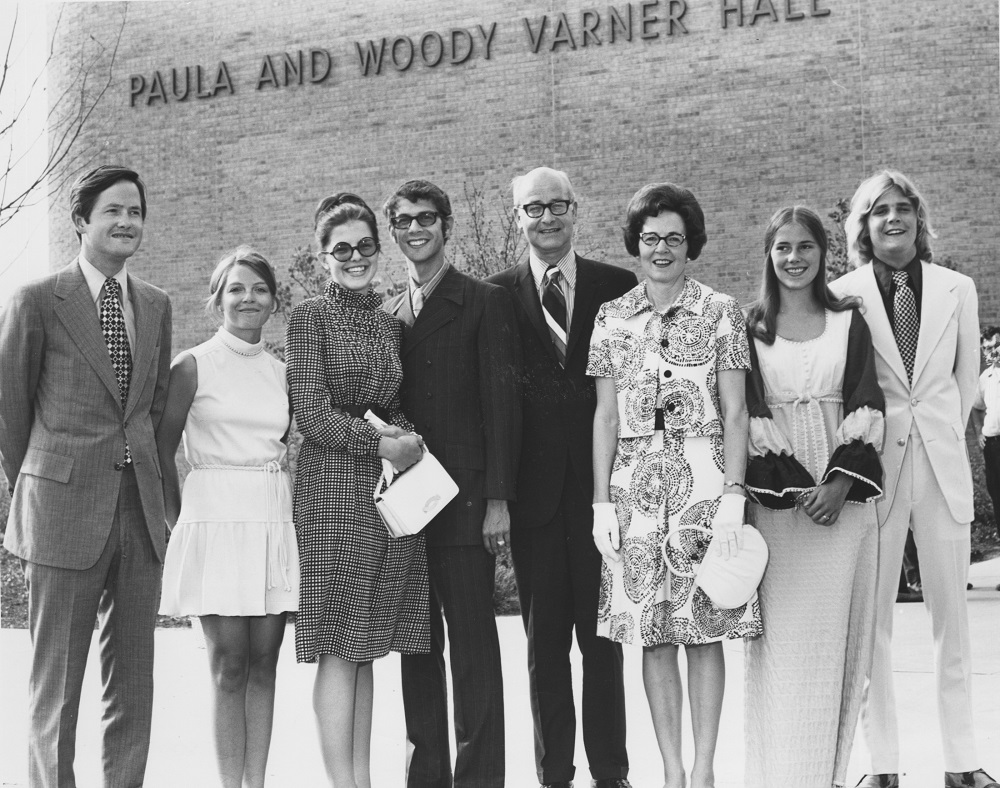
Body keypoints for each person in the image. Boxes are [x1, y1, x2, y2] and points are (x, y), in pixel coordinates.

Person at [0, 164, 172, 788]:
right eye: (113, 211)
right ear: (81, 221)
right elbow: (10, 410)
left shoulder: (154, 304)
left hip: (139, 512)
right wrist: (47, 484)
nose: (127, 222)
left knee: (133, 686)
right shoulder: (39, 299)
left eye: (136, 212)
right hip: (62, 514)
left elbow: (149, 409)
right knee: (58, 689)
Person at [589, 182, 760, 788]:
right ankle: (672, 772)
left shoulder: (721, 311)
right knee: (652, 633)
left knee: (703, 627)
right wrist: (600, 501)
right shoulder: (611, 318)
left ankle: (708, 769)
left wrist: (735, 493)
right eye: (650, 238)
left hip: (705, 479)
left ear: (692, 246)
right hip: (634, 485)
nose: (661, 248)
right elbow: (605, 416)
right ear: (635, 245)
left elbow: (736, 412)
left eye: (674, 238)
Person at [832, 171, 996, 788]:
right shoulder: (843, 294)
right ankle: (884, 768)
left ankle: (961, 762)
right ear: (863, 227)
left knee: (951, 618)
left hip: (941, 466)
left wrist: (945, 433)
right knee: (872, 621)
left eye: (903, 208)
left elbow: (966, 375)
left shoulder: (959, 287)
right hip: (874, 467)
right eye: (879, 211)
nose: (893, 219)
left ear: (918, 220)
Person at [486, 167, 637, 788]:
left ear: (575, 210)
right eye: (531, 209)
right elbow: (495, 401)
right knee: (543, 645)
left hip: (606, 492)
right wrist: (498, 494)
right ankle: (554, 775)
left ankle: (611, 773)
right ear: (517, 218)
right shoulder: (495, 295)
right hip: (535, 498)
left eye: (556, 205)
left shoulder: (617, 285)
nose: (544, 218)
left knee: (604, 641)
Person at [285, 193, 429, 788]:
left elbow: (393, 406)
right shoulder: (308, 319)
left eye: (365, 245)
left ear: (379, 249)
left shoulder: (389, 319)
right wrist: (382, 446)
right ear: (323, 259)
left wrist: (406, 438)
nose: (354, 257)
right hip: (331, 491)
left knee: (365, 643)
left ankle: (362, 779)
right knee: (339, 646)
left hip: (384, 494)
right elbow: (311, 416)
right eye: (340, 249)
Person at [382, 179, 521, 788]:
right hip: (409, 505)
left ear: (446, 225)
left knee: (472, 648)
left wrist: (497, 500)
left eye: (427, 218)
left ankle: (481, 777)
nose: (417, 229)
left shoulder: (484, 301)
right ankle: (427, 776)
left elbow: (503, 407)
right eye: (405, 221)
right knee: (417, 649)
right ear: (394, 233)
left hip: (465, 502)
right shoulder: (387, 313)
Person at [742, 206, 884, 787]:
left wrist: (840, 482)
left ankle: (827, 775)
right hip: (777, 505)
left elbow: (866, 402)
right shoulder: (749, 326)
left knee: (837, 646)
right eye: (782, 248)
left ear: (824, 254)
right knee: (782, 649)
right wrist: (798, 486)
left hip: (844, 504)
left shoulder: (850, 321)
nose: (794, 258)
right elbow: (747, 411)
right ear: (769, 256)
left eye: (806, 247)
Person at [156, 247, 298, 787]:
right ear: (218, 297)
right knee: (228, 666)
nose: (248, 298)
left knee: (265, 663)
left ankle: (256, 782)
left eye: (259, 289)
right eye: (236, 288)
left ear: (273, 301)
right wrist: (180, 525)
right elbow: (162, 450)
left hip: (269, 516)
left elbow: (283, 444)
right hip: (213, 522)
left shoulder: (283, 371)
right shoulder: (191, 366)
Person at [971, 326, 1000, 545]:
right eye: (987, 348)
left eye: (996, 346)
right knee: (997, 497)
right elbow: (976, 406)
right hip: (993, 445)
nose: (992, 352)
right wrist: (979, 431)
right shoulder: (985, 377)